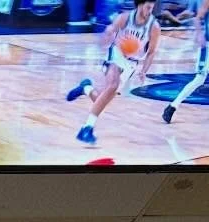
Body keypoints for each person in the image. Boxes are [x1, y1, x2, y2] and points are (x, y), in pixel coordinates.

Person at [66, 1, 161, 146]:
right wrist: (107, 35)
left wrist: (144, 71)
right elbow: (111, 29)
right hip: (116, 53)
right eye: (148, 7)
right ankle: (87, 128)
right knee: (113, 85)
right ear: (139, 4)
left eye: (152, 8)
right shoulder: (125, 18)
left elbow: (152, 52)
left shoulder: (154, 27)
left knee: (102, 98)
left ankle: (86, 88)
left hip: (132, 63)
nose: (150, 10)